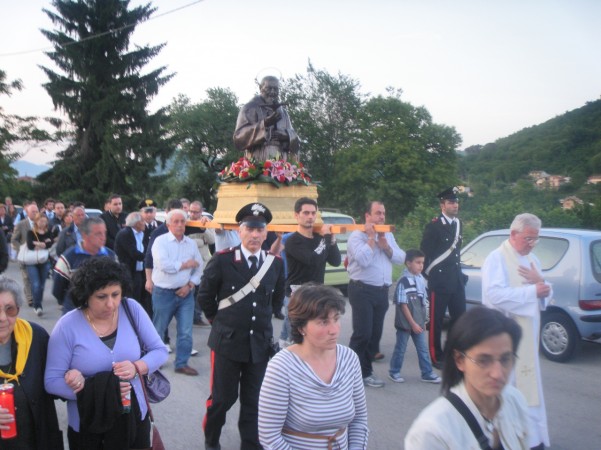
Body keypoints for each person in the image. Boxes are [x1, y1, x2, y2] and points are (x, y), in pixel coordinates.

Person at [45, 257, 168, 449]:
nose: (111, 304)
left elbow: (159, 351)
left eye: (115, 294)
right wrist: (88, 387)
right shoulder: (67, 326)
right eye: (101, 297)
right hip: (88, 426)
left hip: (134, 418)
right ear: (86, 296)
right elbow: (52, 381)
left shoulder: (131, 309)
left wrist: (137, 367)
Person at [198, 202, 285, 450]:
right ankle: (211, 440)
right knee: (223, 399)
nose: (255, 235)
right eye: (250, 229)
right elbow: (205, 297)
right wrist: (222, 323)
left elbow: (276, 301)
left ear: (266, 233)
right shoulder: (223, 260)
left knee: (254, 400)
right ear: (240, 231)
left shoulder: (274, 264)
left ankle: (250, 443)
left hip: (258, 345)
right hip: (227, 343)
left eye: (260, 230)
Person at [258, 284, 368, 449]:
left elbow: (359, 421)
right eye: (323, 322)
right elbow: (269, 436)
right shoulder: (281, 367)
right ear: (301, 327)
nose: (334, 330)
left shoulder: (349, 358)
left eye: (336, 319)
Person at [405, 307, 530, 450]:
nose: (498, 373)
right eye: (484, 360)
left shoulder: (515, 401)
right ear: (459, 360)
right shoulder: (432, 431)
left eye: (505, 359)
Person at [482, 213, 551, 450]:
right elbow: (494, 295)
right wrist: (532, 293)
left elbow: (544, 292)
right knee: (504, 389)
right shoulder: (497, 258)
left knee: (528, 388)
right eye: (528, 238)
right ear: (513, 234)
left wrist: (540, 282)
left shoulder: (533, 260)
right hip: (502, 338)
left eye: (535, 239)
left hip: (526, 338)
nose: (531, 244)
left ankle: (531, 438)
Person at [0, 277, 64, 449]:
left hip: (38, 439)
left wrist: (73, 376)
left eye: (9, 309)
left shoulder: (36, 336)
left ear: (18, 309)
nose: (2, 318)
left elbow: (57, 380)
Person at [347, 201, 405, 388]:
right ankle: (360, 374)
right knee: (362, 334)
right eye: (378, 213)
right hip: (362, 290)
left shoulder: (387, 234)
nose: (381, 217)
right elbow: (363, 260)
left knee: (374, 335)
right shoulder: (356, 237)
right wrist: (371, 240)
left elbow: (401, 258)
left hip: (381, 292)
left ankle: (359, 370)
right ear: (367, 216)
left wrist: (386, 246)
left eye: (383, 213)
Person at [279, 197, 341, 348]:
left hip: (317, 296)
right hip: (297, 296)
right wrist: (326, 239)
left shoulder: (320, 239)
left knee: (313, 340)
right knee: (294, 340)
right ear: (296, 215)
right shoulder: (293, 241)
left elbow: (335, 261)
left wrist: (331, 241)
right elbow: (312, 259)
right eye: (306, 213)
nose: (310, 217)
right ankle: (280, 362)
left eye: (313, 213)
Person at [151, 209, 203, 375]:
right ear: (168, 224)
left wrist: (189, 285)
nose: (180, 225)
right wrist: (186, 264)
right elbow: (163, 265)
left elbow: (199, 267)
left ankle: (181, 363)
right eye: (176, 221)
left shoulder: (191, 243)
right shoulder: (160, 241)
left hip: (186, 293)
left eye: (182, 222)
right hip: (163, 293)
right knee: (158, 330)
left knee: (186, 332)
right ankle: (154, 362)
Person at [420, 186, 466, 369]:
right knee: (436, 321)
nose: (455, 205)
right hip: (439, 281)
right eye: (451, 202)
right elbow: (425, 252)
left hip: (456, 280)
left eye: (456, 202)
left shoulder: (458, 224)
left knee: (460, 319)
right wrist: (425, 276)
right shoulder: (433, 226)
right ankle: (435, 355)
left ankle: (454, 352)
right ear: (442, 205)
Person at [389, 249, 441, 384]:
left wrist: (423, 321)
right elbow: (403, 305)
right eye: (418, 262)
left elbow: (423, 303)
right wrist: (412, 323)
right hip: (406, 324)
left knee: (423, 349)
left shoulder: (420, 280)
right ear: (408, 263)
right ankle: (394, 372)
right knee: (401, 349)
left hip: (418, 322)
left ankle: (427, 373)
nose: (421, 266)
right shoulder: (403, 281)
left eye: (422, 263)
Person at [53, 217, 118, 314]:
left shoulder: (111, 256)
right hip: (75, 311)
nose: (103, 237)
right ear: (84, 235)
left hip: (103, 313)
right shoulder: (69, 257)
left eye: (104, 233)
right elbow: (58, 288)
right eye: (98, 234)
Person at [233, 76, 299, 161]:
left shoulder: (283, 113)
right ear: (260, 88)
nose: (272, 92)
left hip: (282, 160)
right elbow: (239, 138)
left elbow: (295, 137)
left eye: (276, 89)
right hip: (258, 157)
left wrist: (285, 135)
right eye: (269, 88)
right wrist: (264, 123)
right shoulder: (249, 108)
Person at [114, 212, 147, 312]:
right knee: (130, 299)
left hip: (139, 272)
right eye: (142, 221)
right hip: (128, 272)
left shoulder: (141, 234)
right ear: (136, 223)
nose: (144, 223)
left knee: (139, 299)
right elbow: (134, 253)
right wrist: (149, 259)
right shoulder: (125, 234)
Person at [25, 213, 54, 316]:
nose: (43, 223)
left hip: (44, 261)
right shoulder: (31, 232)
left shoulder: (49, 232)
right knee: (36, 284)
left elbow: (50, 243)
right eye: (40, 221)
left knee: (41, 285)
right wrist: (42, 243)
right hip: (32, 261)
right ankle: (37, 305)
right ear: (36, 221)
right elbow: (29, 244)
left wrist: (37, 243)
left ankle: (38, 299)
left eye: (44, 221)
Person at [11, 202, 38, 307]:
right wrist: (21, 249)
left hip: (37, 256)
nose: (35, 213)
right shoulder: (21, 224)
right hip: (24, 256)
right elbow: (14, 239)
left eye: (36, 211)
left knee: (37, 279)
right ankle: (30, 298)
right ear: (27, 213)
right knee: (26, 277)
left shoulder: (41, 223)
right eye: (33, 212)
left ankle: (36, 295)